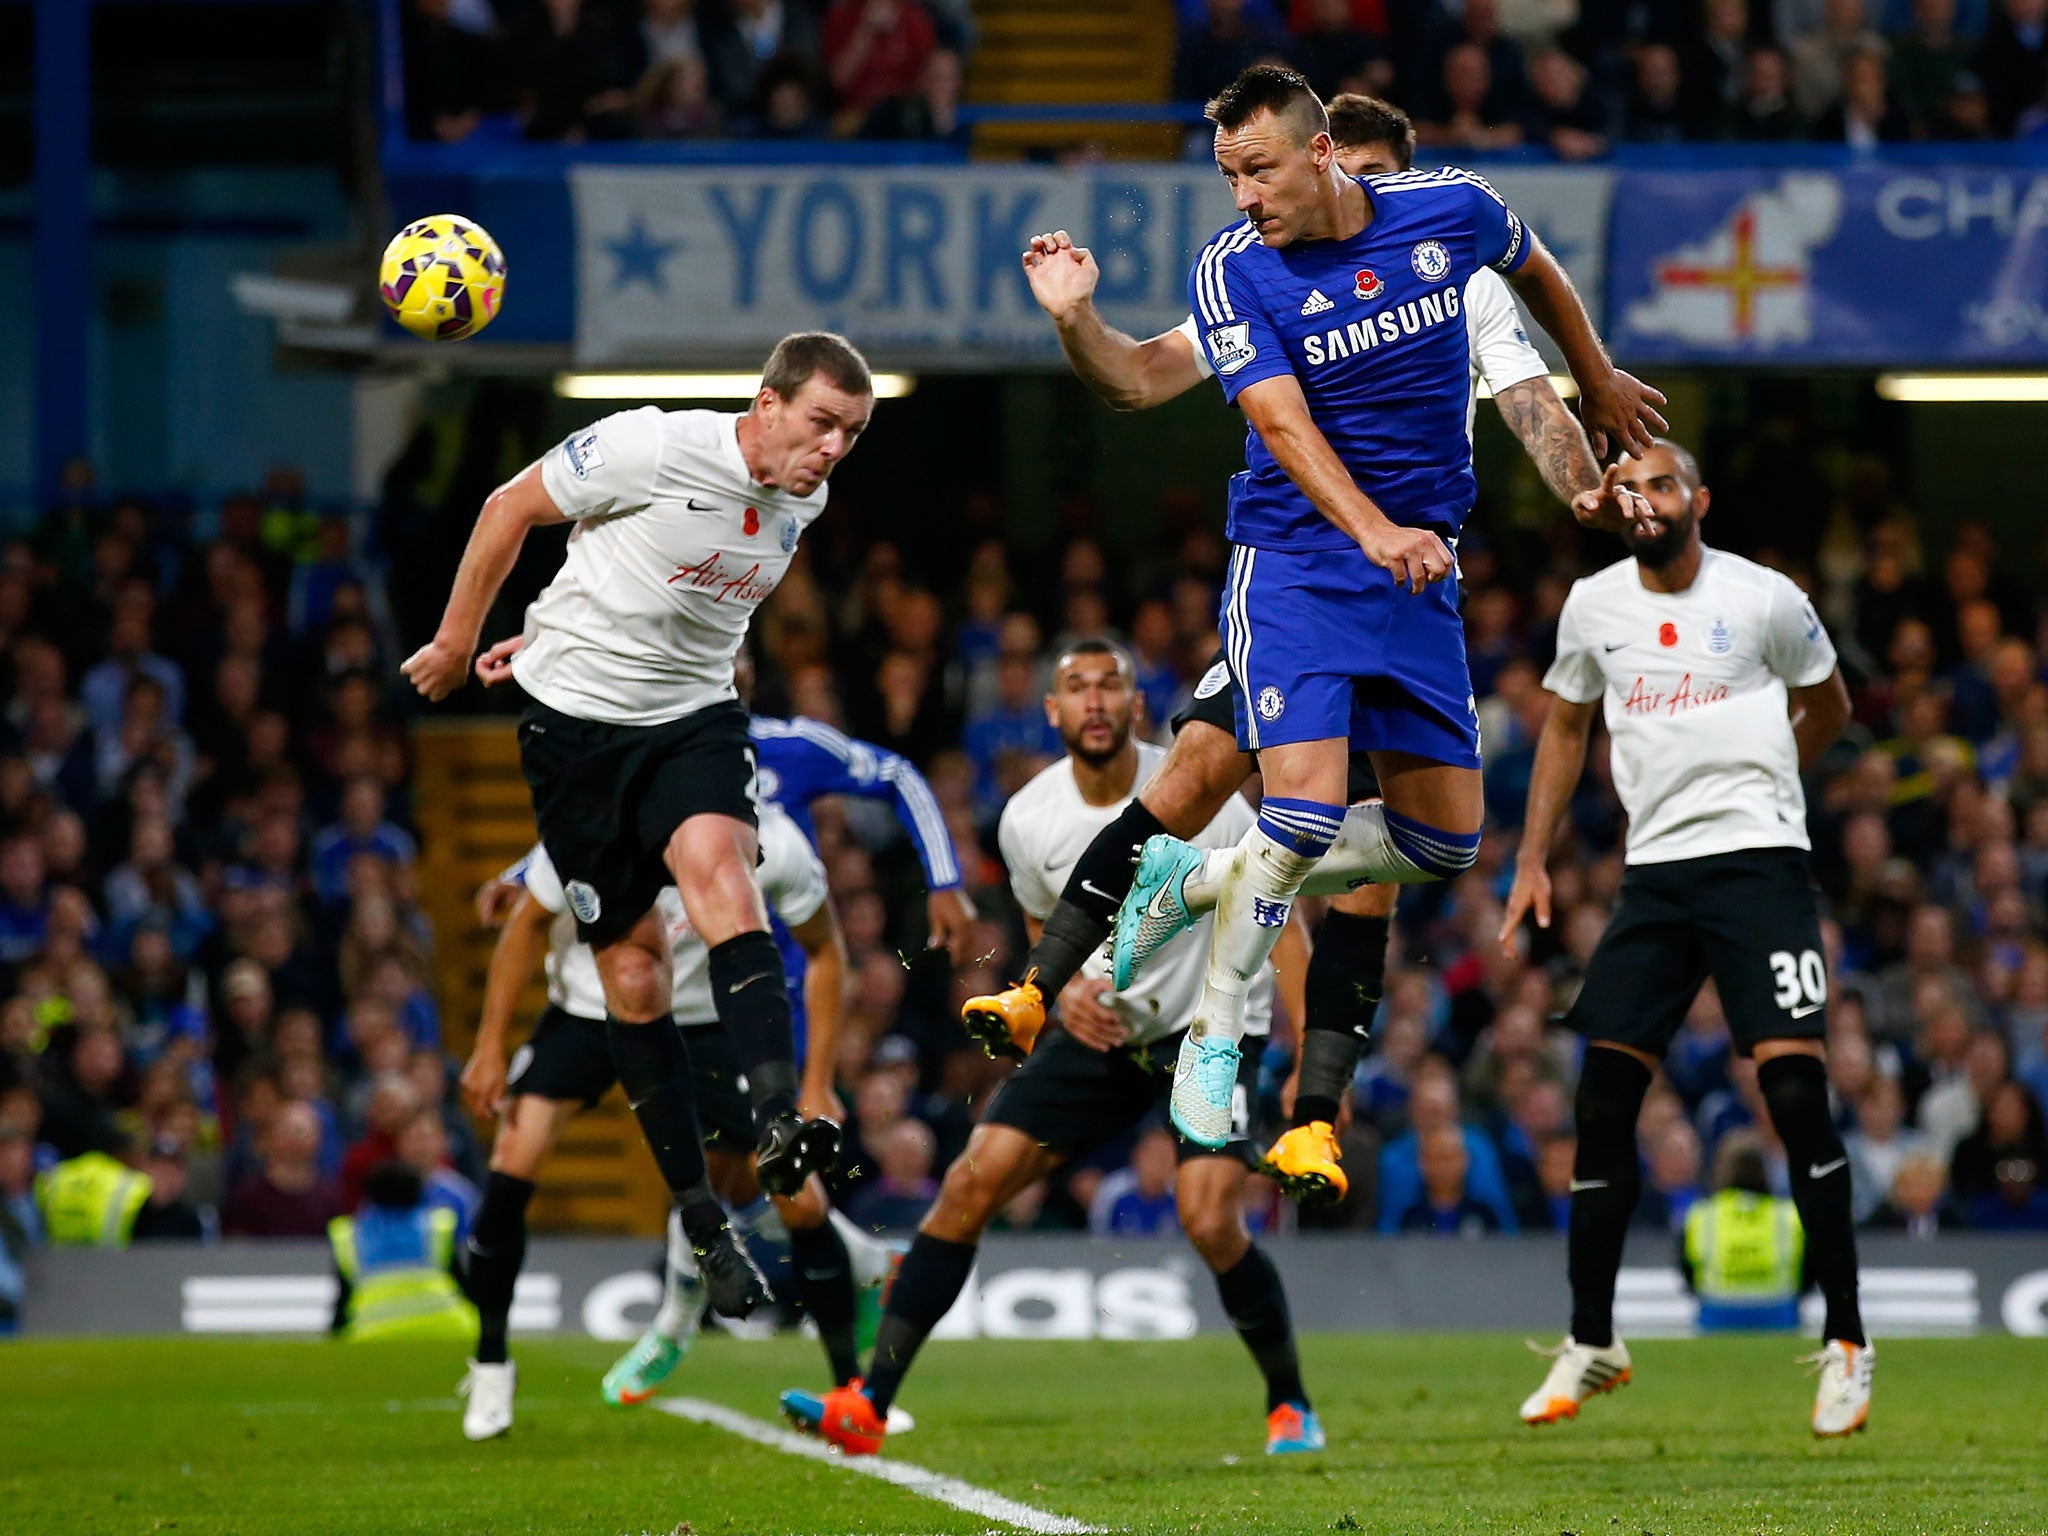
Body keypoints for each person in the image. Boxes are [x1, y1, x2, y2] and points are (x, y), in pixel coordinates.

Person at [969, 86, 1652, 1201]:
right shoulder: (1235, 267)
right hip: (1297, 566)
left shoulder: (1449, 228)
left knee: (1437, 847)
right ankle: (1212, 1053)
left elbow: (1535, 286)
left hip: (1413, 574)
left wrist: (1593, 383)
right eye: (1228, 176)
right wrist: (1072, 321)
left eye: (1260, 172)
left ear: (1332, 158)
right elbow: (1254, 415)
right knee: (1289, 807)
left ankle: (1191, 890)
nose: (1243, 197)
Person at [402, 333, 875, 1278]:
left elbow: (673, 601)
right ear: (767, 404)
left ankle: (779, 1120)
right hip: (573, 733)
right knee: (635, 976)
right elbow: (510, 511)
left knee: (725, 883)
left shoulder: (804, 497)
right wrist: (466, 643)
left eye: (852, 434)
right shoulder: (651, 447)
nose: (832, 450)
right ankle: (700, 1216)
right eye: (822, 423)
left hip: (693, 716)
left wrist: (542, 633)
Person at [781, 639, 1324, 1459]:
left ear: (1138, 707)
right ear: (1053, 711)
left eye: (1112, 686)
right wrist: (1063, 990)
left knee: (1210, 1219)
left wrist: (1312, 1063)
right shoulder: (1028, 817)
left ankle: (1290, 1405)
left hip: (1208, 1030)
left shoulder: (1202, 789)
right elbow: (1044, 926)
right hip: (1101, 1030)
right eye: (1078, 688)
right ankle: (868, 1403)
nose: (1096, 701)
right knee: (968, 1182)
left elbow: (1278, 914)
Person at [1500, 438, 1872, 1437]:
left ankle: (1844, 1341)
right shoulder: (1592, 607)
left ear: (1696, 499)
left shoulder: (1763, 598)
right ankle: (1592, 1340)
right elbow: (1565, 728)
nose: (1641, 498)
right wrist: (1532, 857)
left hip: (1759, 865)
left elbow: (1828, 703)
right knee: (1599, 1098)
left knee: (1792, 1091)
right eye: (1625, 487)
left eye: (1658, 483)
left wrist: (1769, 776)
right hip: (1655, 876)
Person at [454, 805, 848, 1439]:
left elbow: (826, 948)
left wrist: (818, 1081)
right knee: (511, 1168)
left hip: (701, 1026)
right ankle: (493, 1363)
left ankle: (852, 1390)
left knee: (796, 1194)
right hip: (585, 1012)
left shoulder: (769, 838)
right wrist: (490, 1044)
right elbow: (527, 925)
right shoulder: (600, 816)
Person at [328, 1160, 478, 1343]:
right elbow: (463, 1284)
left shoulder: (348, 1236)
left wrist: (334, 1337)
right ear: (418, 1193)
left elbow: (343, 1299)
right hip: (448, 1327)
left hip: (372, 1333)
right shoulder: (437, 1227)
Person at [1680, 1132, 1804, 1332]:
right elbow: (1809, 1272)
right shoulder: (1788, 1215)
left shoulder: (1702, 1214)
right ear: (1765, 1169)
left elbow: (1687, 1272)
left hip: (1717, 1313)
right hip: (1778, 1313)